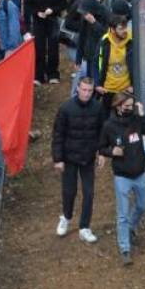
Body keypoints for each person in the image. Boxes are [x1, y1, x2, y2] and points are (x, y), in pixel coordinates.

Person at [98, 92, 145, 265]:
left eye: (132, 105)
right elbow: (101, 148)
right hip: (122, 177)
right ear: (118, 106)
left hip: (139, 173)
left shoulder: (137, 120)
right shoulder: (109, 126)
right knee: (122, 214)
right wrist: (111, 152)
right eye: (127, 106)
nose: (130, 109)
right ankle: (125, 248)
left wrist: (142, 116)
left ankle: (131, 228)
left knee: (143, 206)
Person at [51, 75, 105, 242]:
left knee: (89, 193)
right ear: (78, 89)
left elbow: (103, 133)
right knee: (69, 191)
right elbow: (58, 134)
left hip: (88, 157)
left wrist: (102, 152)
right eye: (84, 90)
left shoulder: (98, 108)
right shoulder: (66, 108)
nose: (87, 93)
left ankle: (85, 226)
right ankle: (66, 217)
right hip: (69, 157)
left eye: (90, 90)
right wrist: (58, 159)